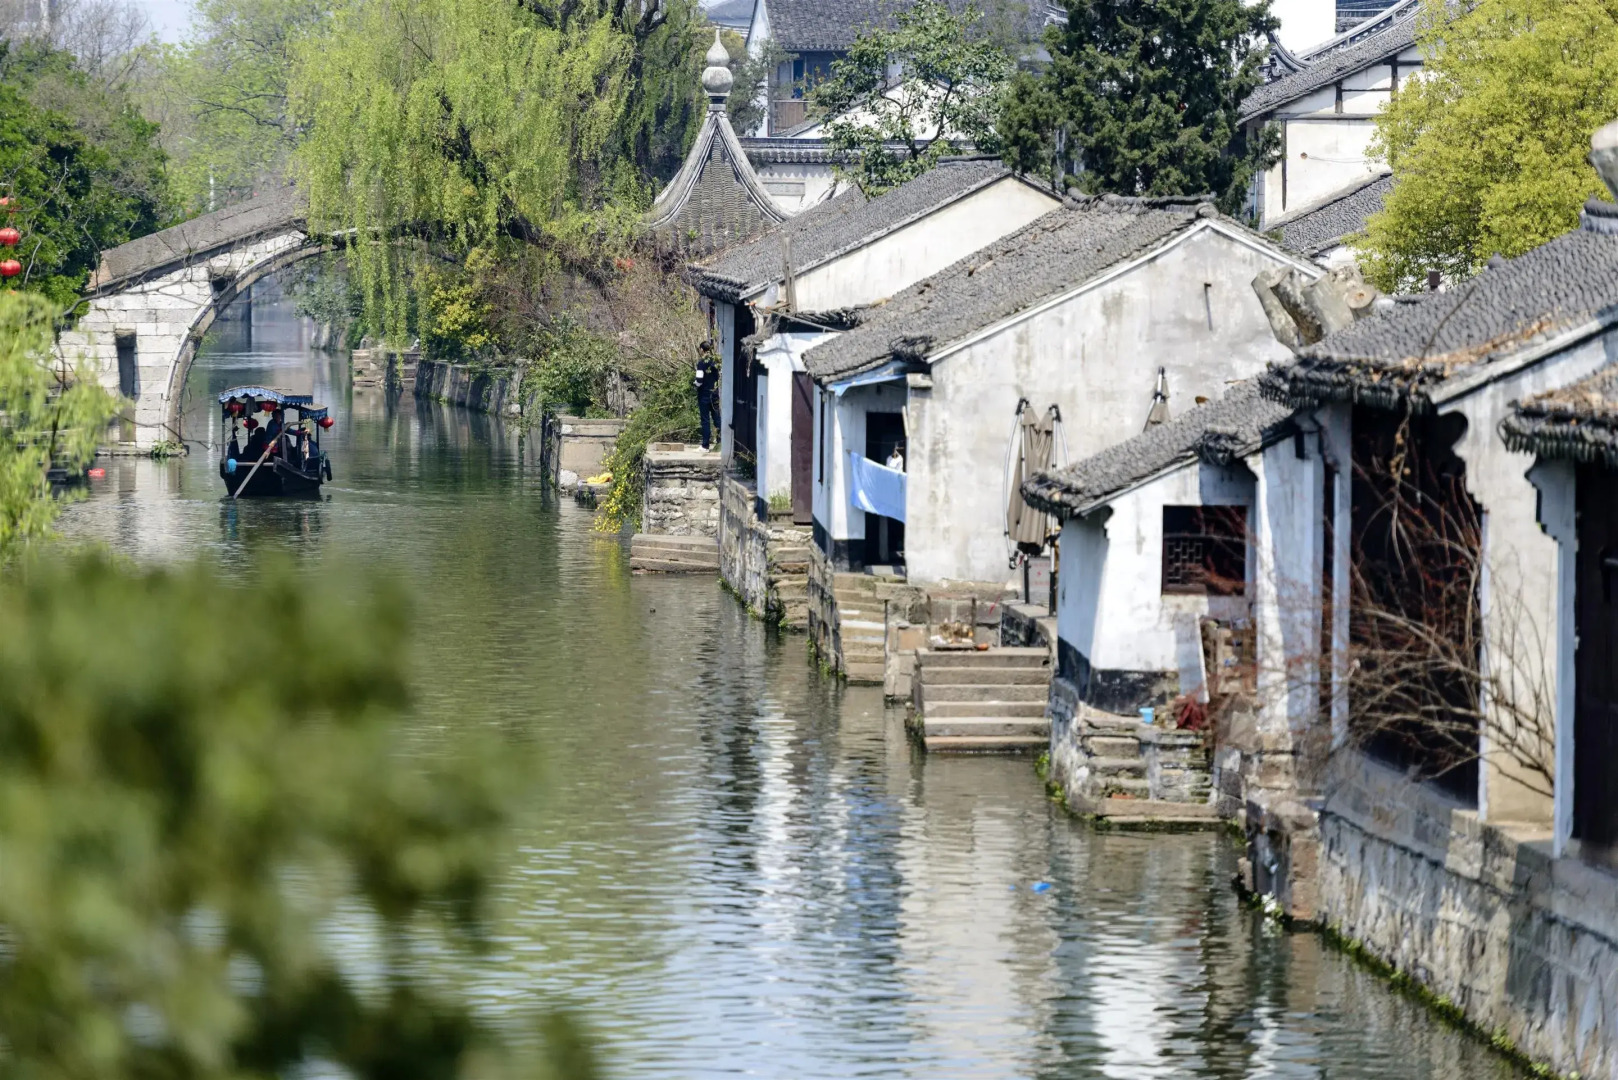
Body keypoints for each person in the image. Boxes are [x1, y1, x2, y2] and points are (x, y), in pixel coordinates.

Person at [694, 340, 721, 452]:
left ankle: (705, 445)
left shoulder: (701, 363)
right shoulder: (715, 362)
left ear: (701, 349)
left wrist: (694, 384)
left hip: (704, 395)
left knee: (705, 420)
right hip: (714, 394)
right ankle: (721, 441)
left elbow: (699, 381)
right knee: (717, 418)